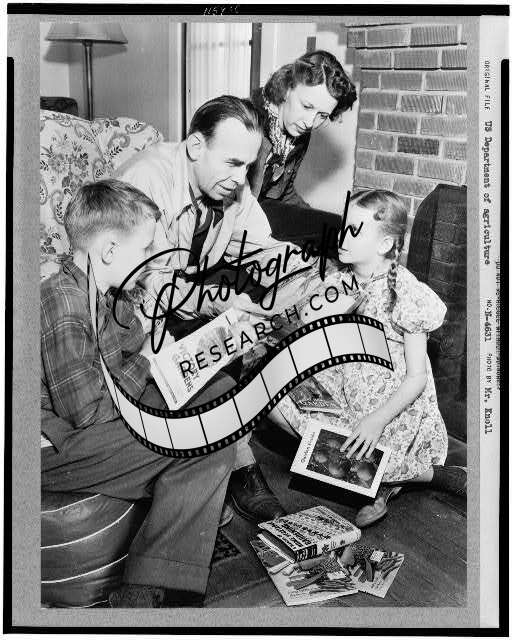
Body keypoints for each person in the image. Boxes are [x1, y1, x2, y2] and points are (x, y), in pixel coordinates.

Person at [41, 180, 236, 608]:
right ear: (110, 250)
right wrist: (148, 360)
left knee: (222, 393)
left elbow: (133, 353)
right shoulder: (63, 301)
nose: (152, 258)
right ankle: (149, 588)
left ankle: (157, 573)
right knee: (209, 432)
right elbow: (88, 414)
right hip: (60, 448)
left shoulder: (105, 294)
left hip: (102, 420)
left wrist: (182, 353)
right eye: (146, 248)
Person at [115, 96, 296, 523]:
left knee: (240, 339)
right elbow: (149, 284)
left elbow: (265, 249)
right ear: (196, 146)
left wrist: (314, 277)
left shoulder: (231, 185)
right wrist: (217, 303)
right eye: (232, 163)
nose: (240, 178)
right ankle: (232, 471)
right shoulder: (148, 179)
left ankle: (227, 469)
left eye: (248, 166)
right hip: (128, 315)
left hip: (176, 302)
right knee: (214, 355)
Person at [277, 189, 467, 527]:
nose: (342, 236)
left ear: (384, 244)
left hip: (390, 407)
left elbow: (417, 378)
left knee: (363, 443)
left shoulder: (405, 293)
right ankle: (380, 480)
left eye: (354, 230)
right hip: (344, 386)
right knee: (271, 396)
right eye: (343, 227)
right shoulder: (339, 280)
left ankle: (425, 476)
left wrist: (377, 420)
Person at [248, 50, 357, 207]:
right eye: (306, 106)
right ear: (286, 89)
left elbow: (283, 192)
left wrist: (317, 217)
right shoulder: (246, 122)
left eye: (322, 115)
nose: (310, 123)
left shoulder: (297, 135)